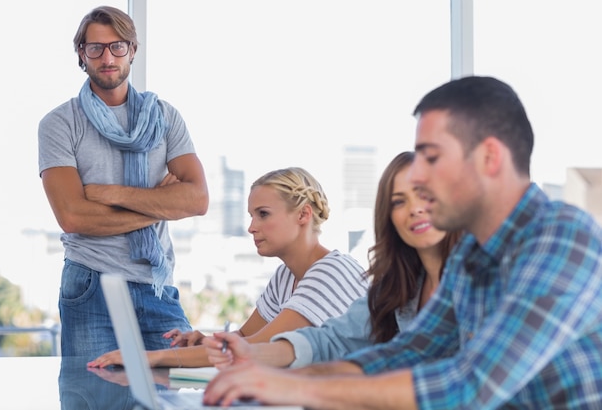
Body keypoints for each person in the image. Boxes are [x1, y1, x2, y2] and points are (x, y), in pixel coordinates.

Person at [202, 76, 602, 409]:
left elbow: (469, 385)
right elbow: (405, 353)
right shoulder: (471, 259)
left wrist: (295, 388)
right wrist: (263, 381)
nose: (421, 180)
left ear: (489, 158)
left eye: (431, 157)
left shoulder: (564, 236)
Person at [38, 5, 209, 358]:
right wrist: (160, 206)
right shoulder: (59, 123)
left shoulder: (164, 116)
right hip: (91, 283)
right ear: (81, 56)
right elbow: (74, 218)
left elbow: (196, 200)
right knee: (95, 395)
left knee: (175, 389)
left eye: (118, 46)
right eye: (95, 48)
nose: (107, 56)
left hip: (156, 284)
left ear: (132, 50)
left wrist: (109, 194)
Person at [88, 166, 369, 368]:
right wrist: (204, 342)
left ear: (303, 215)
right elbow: (244, 337)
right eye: (251, 215)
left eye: (263, 214)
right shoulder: (286, 276)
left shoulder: (331, 273)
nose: (251, 227)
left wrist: (147, 357)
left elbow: (254, 348)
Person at [203, 151, 461, 370]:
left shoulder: (483, 282)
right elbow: (330, 341)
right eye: (399, 201)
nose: (415, 209)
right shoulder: (396, 288)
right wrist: (249, 354)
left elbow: (457, 381)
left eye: (425, 195)